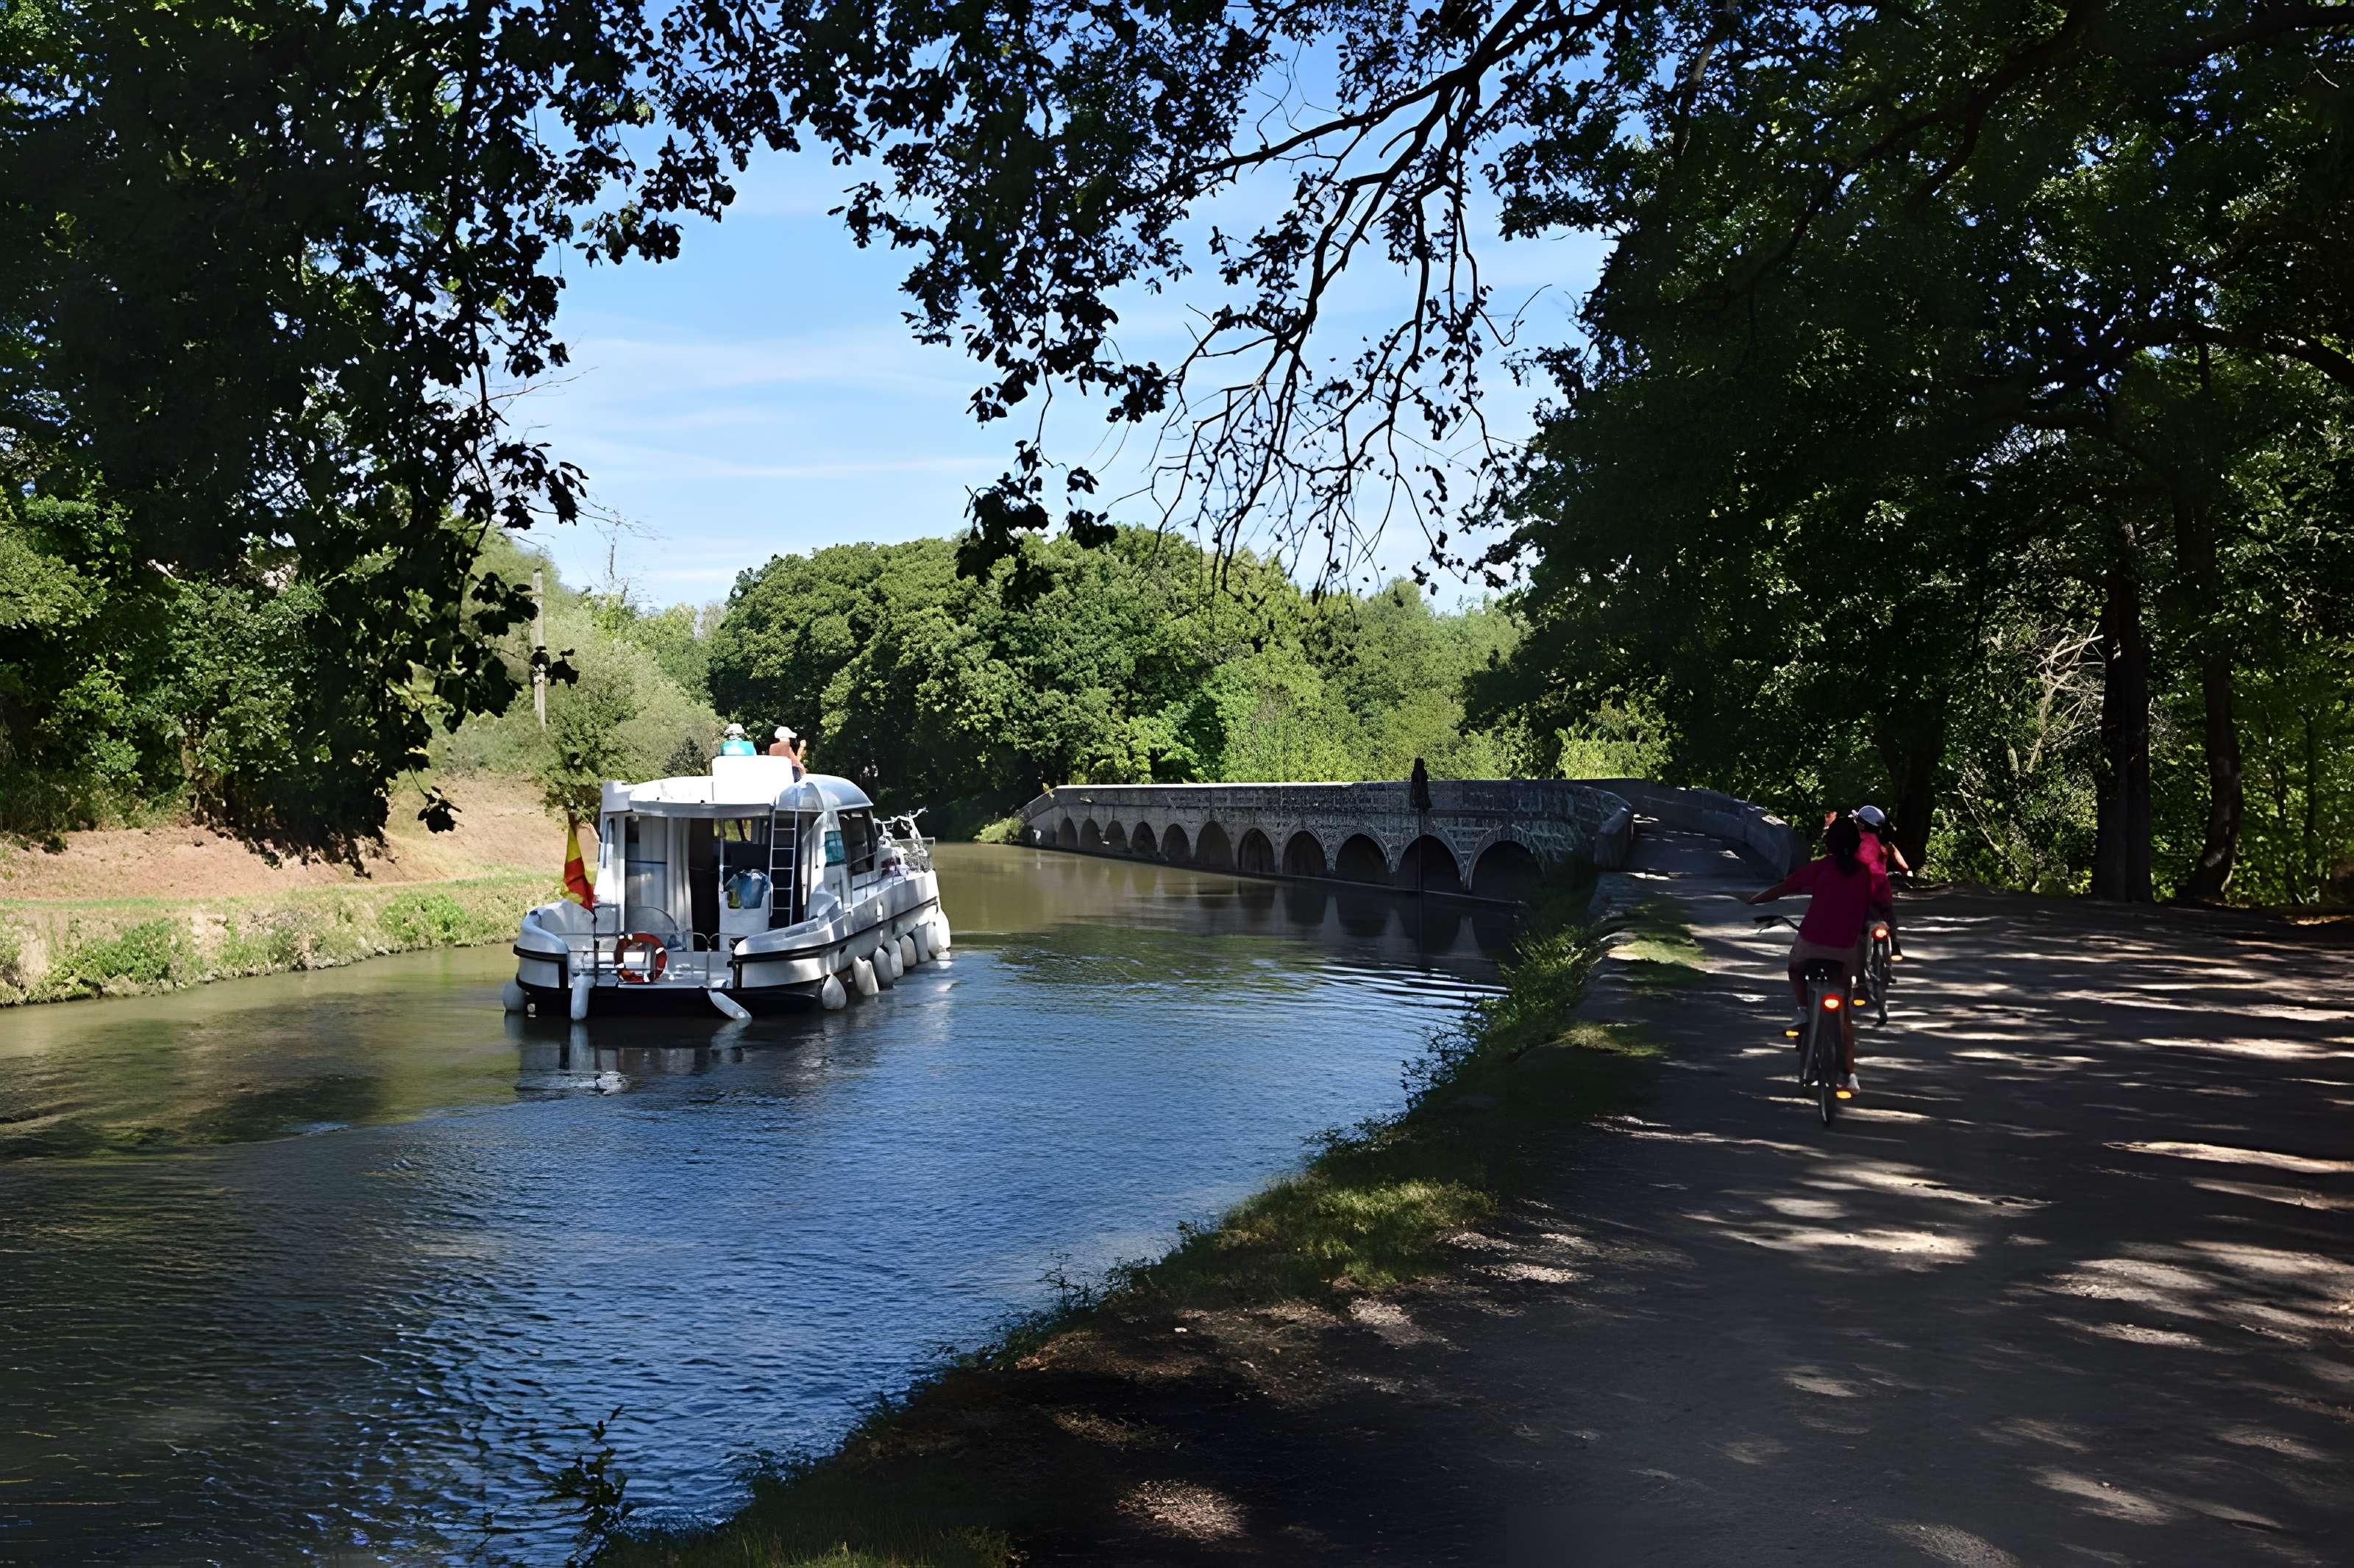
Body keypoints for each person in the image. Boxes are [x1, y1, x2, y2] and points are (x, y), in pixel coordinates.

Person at [1746, 814, 1880, 1094]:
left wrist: (1754, 899)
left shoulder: (1821, 868)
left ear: (1829, 843)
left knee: (1795, 967)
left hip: (1813, 943)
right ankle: (1849, 1076)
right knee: (1844, 1016)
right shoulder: (1863, 873)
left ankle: (1804, 1011)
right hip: (1845, 950)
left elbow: (1784, 887)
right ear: (1856, 844)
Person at [1852, 804, 1907, 961]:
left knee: (1860, 925)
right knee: (1888, 915)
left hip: (1862, 888)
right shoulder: (1885, 844)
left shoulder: (1855, 841)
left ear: (1861, 824)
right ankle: (1895, 945)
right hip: (1882, 886)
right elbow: (1902, 863)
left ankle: (1859, 968)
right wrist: (1906, 871)